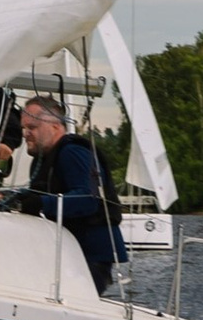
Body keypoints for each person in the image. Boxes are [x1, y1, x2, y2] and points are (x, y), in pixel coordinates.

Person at [7, 95, 127, 294]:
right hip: (69, 252)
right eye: (23, 128)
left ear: (55, 126)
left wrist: (41, 203)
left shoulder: (72, 152)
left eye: (32, 128)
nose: (26, 134)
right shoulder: (44, 159)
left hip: (89, 255)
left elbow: (88, 199)